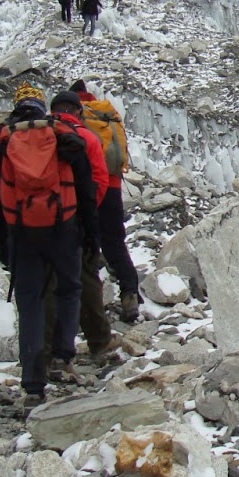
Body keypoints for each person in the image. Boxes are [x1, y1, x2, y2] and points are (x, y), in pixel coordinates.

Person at [0, 84, 100, 408]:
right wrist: (90, 233)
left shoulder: (1, 138)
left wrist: (2, 238)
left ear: (16, 105)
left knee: (30, 302)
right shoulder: (60, 133)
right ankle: (63, 353)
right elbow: (85, 185)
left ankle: (33, 383)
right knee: (70, 288)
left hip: (21, 230)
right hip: (63, 226)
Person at [50, 90, 113, 356]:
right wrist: (88, 216)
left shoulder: (35, 134)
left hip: (35, 220)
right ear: (77, 111)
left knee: (47, 284)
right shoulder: (86, 136)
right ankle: (98, 342)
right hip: (75, 218)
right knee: (85, 279)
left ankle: (48, 350)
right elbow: (100, 180)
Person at [72, 79, 142, 322]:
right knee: (115, 242)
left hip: (87, 189)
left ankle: (88, 305)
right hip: (112, 185)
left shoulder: (75, 117)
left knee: (83, 243)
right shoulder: (106, 113)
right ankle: (130, 291)